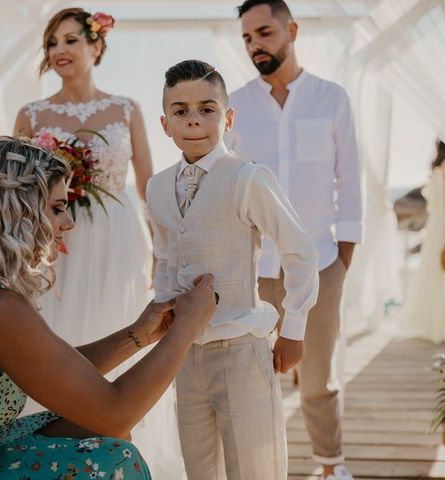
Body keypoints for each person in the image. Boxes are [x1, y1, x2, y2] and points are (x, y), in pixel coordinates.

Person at [0, 136, 217, 479]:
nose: (69, 223)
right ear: (15, 212)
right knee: (113, 458)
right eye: (57, 208)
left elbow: (56, 371)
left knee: (90, 430)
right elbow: (115, 414)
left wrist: (136, 335)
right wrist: (188, 326)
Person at [13, 9, 184, 477]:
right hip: (55, 242)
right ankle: (53, 449)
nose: (60, 51)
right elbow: (17, 190)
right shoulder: (30, 114)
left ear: (96, 47)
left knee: (119, 326)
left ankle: (118, 447)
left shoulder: (126, 109)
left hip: (117, 238)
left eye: (70, 40)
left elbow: (148, 186)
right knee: (56, 334)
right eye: (52, 43)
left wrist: (163, 254)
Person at [147, 59, 318, 479]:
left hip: (242, 347)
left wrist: (293, 330)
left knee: (255, 467)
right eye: (180, 110)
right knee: (199, 468)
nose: (194, 121)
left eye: (207, 109)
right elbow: (166, 258)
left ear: (229, 117)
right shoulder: (156, 186)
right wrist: (164, 318)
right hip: (184, 355)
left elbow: (300, 251)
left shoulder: (248, 177)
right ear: (165, 123)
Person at [225, 1, 363, 478]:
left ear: (292, 30)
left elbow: (350, 180)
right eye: (246, 38)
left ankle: (330, 465)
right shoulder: (234, 104)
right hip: (255, 269)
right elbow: (226, 184)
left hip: (322, 263)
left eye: (263, 32)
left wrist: (343, 259)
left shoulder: (332, 98)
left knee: (319, 377)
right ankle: (262, 468)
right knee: (257, 378)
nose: (254, 45)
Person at [402, 141, 445, 343]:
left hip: (439, 224)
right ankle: (442, 326)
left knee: (439, 271)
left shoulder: (441, 166)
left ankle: (441, 324)